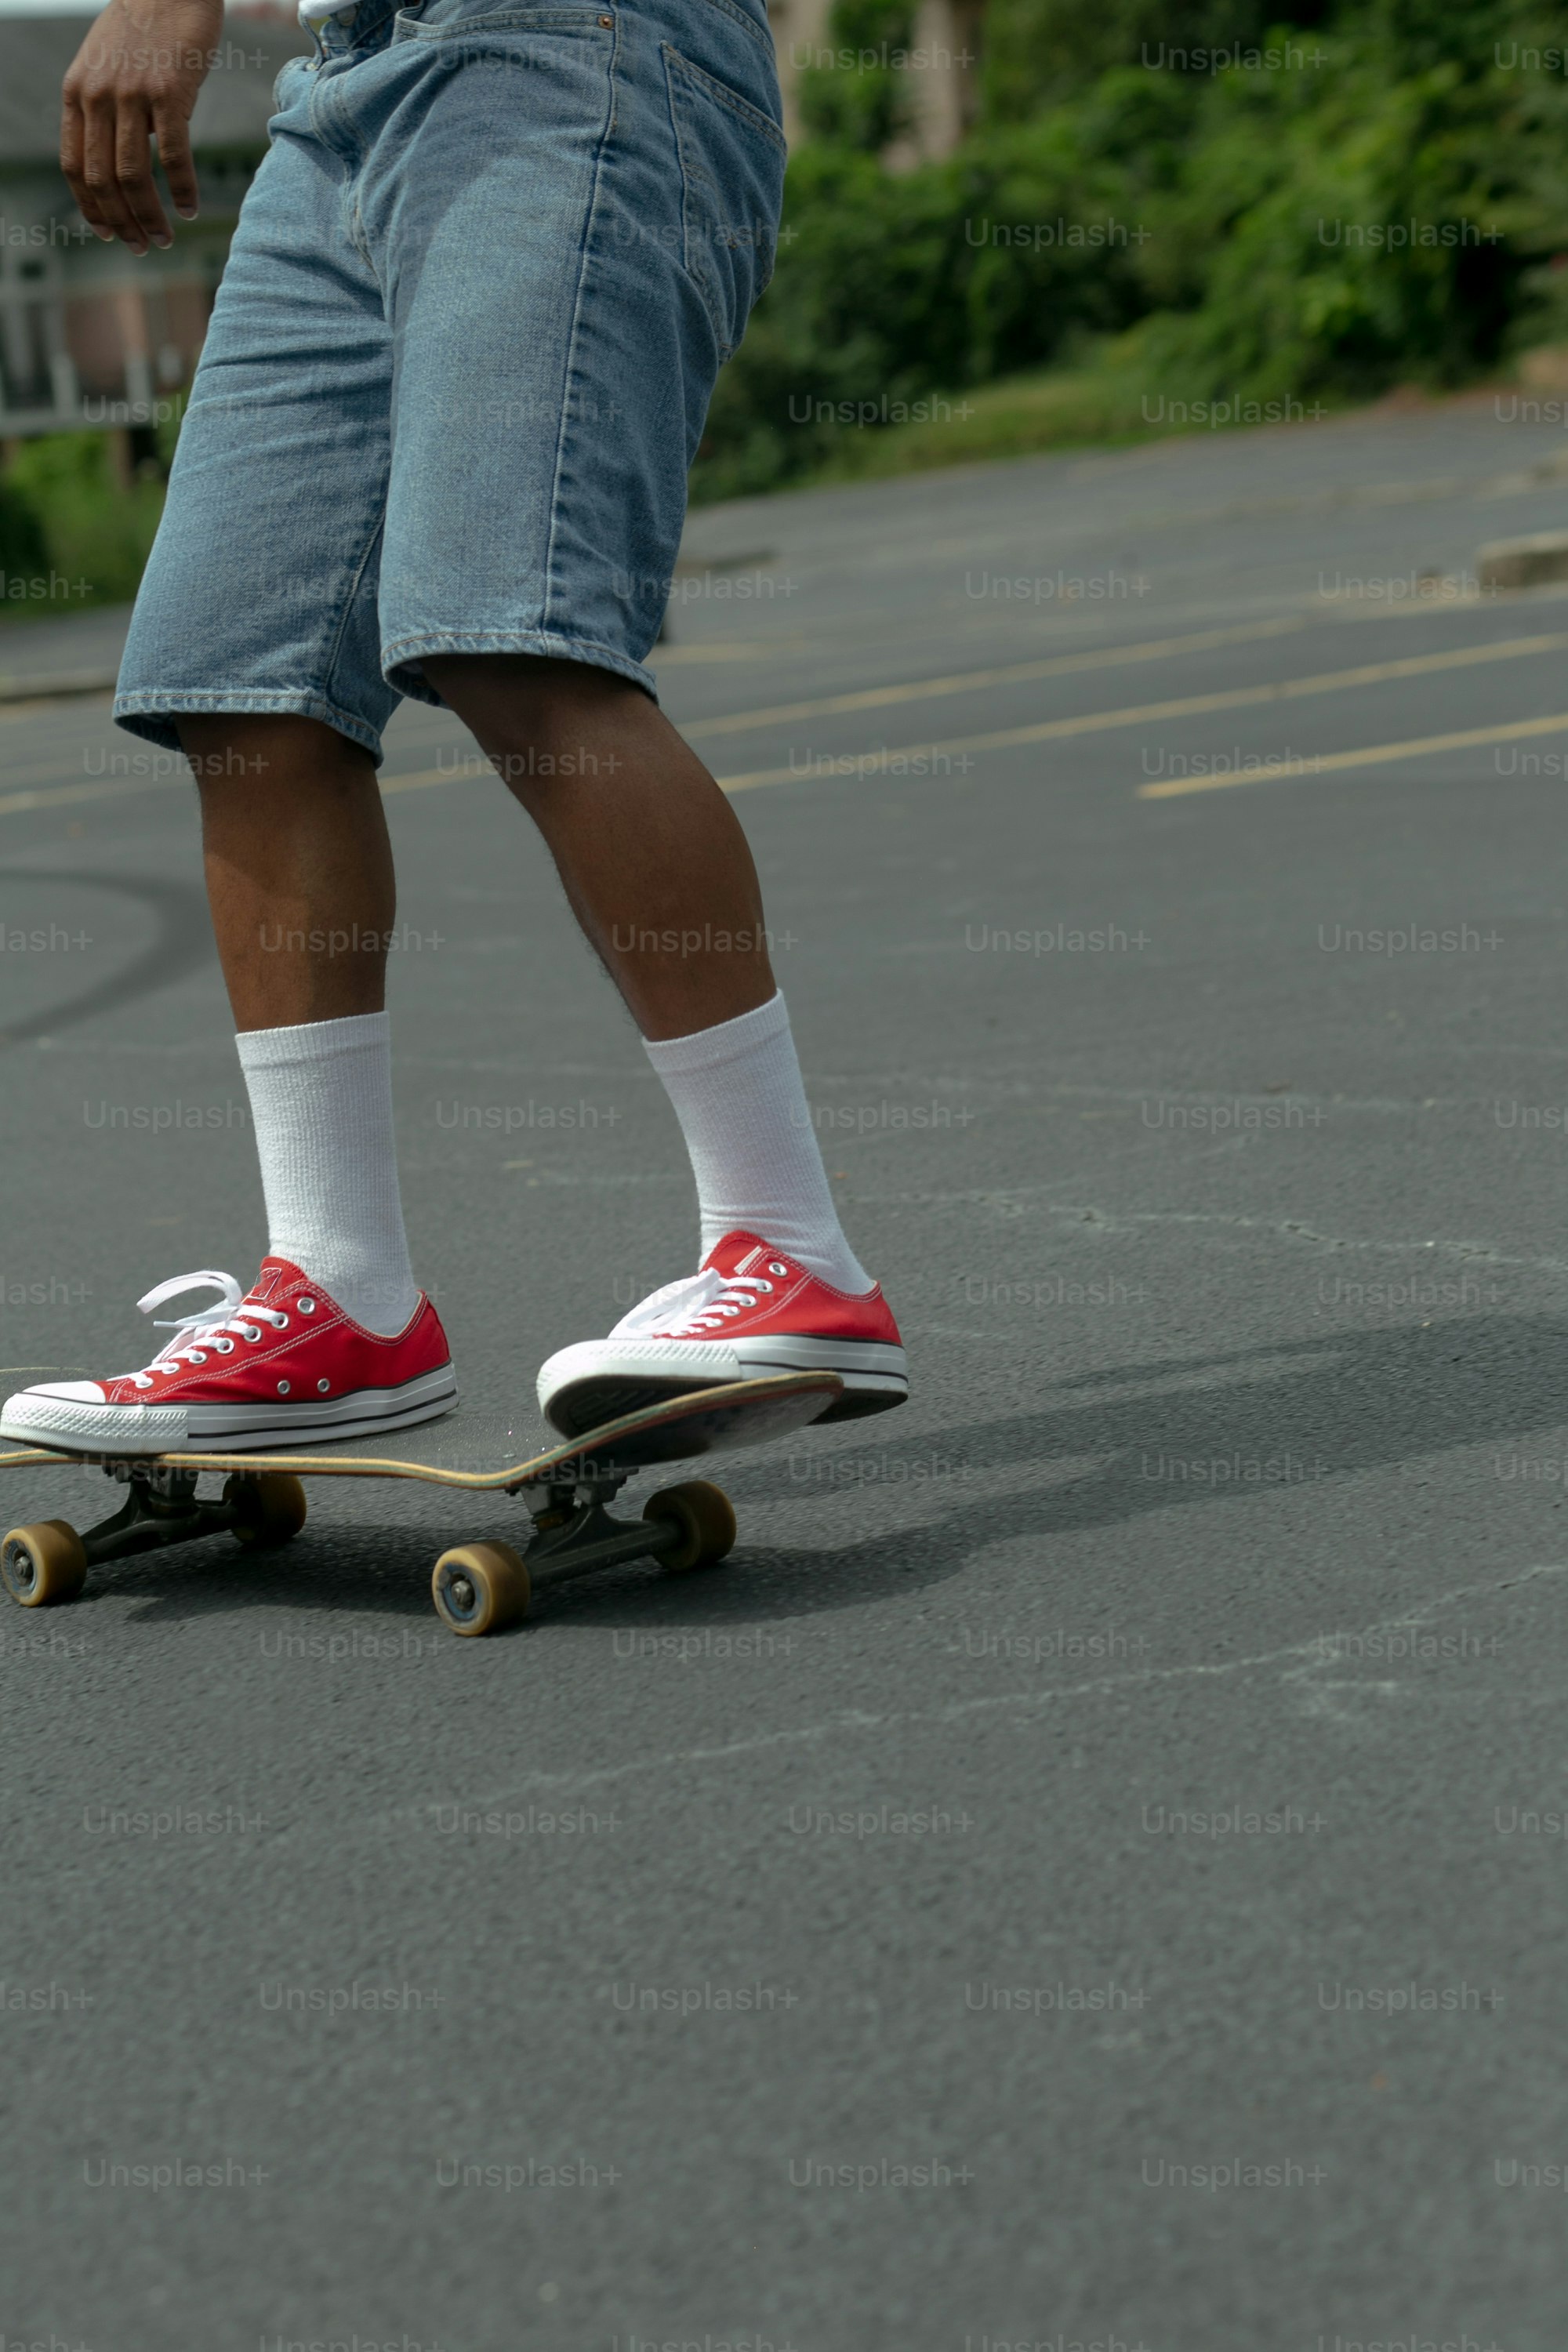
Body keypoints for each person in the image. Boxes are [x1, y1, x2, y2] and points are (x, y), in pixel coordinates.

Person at [0, 0, 905, 1454]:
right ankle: (339, 1292)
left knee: (508, 625)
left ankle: (788, 1243)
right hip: (338, 92)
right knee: (240, 686)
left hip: (568, 44)